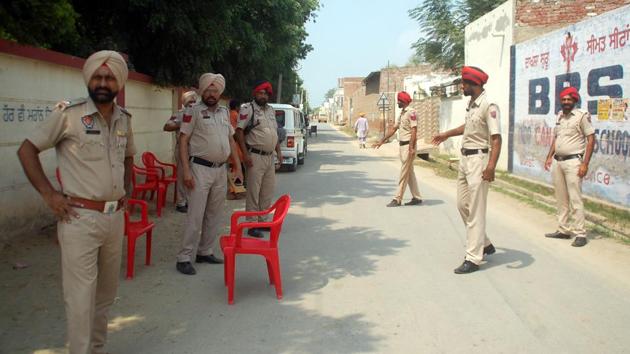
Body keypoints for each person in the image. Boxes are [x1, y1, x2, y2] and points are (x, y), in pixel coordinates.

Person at [17, 50, 134, 353]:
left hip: (113, 218)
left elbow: (129, 156)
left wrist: (126, 190)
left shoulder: (124, 119)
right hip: (79, 219)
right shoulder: (69, 115)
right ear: (89, 79)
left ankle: (96, 349)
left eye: (109, 77)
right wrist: (49, 194)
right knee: (81, 299)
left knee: (106, 295)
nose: (103, 82)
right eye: (98, 76)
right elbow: (27, 150)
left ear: (118, 82)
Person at [431, 66, 501, 274]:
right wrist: (447, 134)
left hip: (479, 161)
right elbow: (468, 127)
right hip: (465, 159)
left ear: (475, 84)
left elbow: (496, 138)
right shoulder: (472, 105)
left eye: (464, 84)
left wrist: (491, 167)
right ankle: (485, 243)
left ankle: (473, 257)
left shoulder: (489, 105)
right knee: (463, 205)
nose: (462, 86)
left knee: (476, 211)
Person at [175, 73, 243, 275]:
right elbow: (184, 140)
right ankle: (184, 257)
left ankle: (205, 251)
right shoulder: (193, 112)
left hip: (220, 170)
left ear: (219, 92)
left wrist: (237, 166)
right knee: (195, 215)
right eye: (208, 90)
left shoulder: (223, 113)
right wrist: (186, 170)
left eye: (215, 91)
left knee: (214, 213)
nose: (212, 94)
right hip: (200, 169)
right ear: (202, 91)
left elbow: (231, 141)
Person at [543, 86, 595, 247]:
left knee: (575, 198)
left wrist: (585, 164)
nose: (566, 102)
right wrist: (549, 156)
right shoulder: (560, 117)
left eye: (569, 99)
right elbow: (556, 138)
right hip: (558, 161)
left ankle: (580, 233)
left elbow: (591, 140)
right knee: (561, 198)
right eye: (564, 99)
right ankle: (563, 230)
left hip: (574, 162)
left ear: (574, 101)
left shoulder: (581, 117)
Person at [234, 80, 282, 238]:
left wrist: (279, 153)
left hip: (269, 157)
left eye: (266, 94)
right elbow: (239, 132)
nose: (263, 96)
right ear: (255, 94)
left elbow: (274, 133)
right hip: (255, 156)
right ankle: (251, 224)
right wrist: (245, 154)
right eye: (260, 93)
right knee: (254, 191)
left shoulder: (271, 110)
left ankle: (262, 220)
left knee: (267, 190)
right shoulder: (248, 109)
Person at [373, 91, 423, 207]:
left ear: (403, 101)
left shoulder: (411, 113)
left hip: (408, 147)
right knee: (409, 172)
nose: (397, 103)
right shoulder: (402, 114)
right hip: (402, 146)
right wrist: (382, 141)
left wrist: (411, 147)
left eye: (399, 101)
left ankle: (397, 198)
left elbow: (414, 131)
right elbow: (394, 129)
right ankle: (416, 197)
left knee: (404, 173)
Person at [163, 90, 197, 212]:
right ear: (184, 103)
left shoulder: (199, 113)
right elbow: (166, 126)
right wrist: (183, 123)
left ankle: (191, 200)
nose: (192, 103)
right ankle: (181, 202)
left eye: (194, 101)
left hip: (196, 150)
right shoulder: (180, 114)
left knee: (195, 176)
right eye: (190, 101)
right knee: (183, 176)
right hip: (183, 148)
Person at [227, 99, 246, 200]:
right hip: (235, 145)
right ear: (237, 107)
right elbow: (239, 130)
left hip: (229, 145)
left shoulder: (227, 114)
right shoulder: (236, 115)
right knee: (236, 169)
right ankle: (235, 191)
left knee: (232, 169)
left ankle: (233, 191)